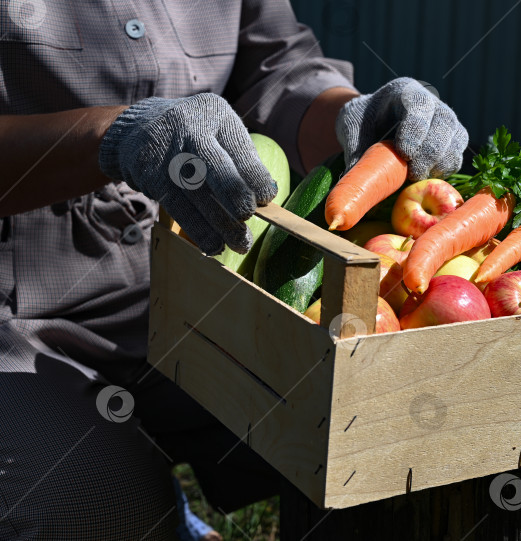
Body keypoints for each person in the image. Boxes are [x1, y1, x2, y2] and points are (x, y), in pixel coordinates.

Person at [0, 1, 468, 539]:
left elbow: (278, 67)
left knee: (390, 431)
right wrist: (112, 134)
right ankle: (148, 499)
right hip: (29, 321)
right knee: (90, 510)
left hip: (205, 289)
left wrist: (351, 116)